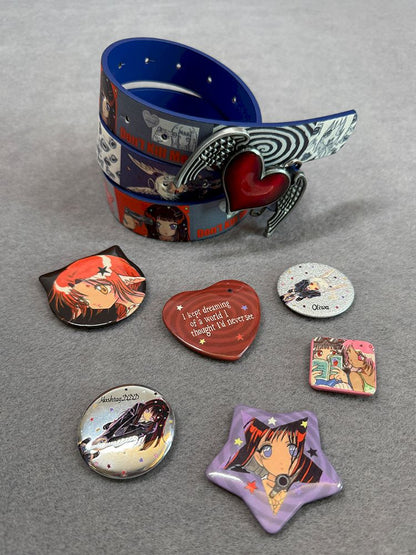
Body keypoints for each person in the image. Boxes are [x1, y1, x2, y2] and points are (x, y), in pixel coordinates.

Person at [225, 418, 322, 514]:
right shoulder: (251, 481)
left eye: (292, 450)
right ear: (257, 456)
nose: (282, 459)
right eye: (267, 450)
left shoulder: (305, 486)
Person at [49, 254, 145, 324]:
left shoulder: (124, 309)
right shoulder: (120, 313)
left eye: (86, 298)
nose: (90, 305)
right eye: (84, 302)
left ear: (103, 288)